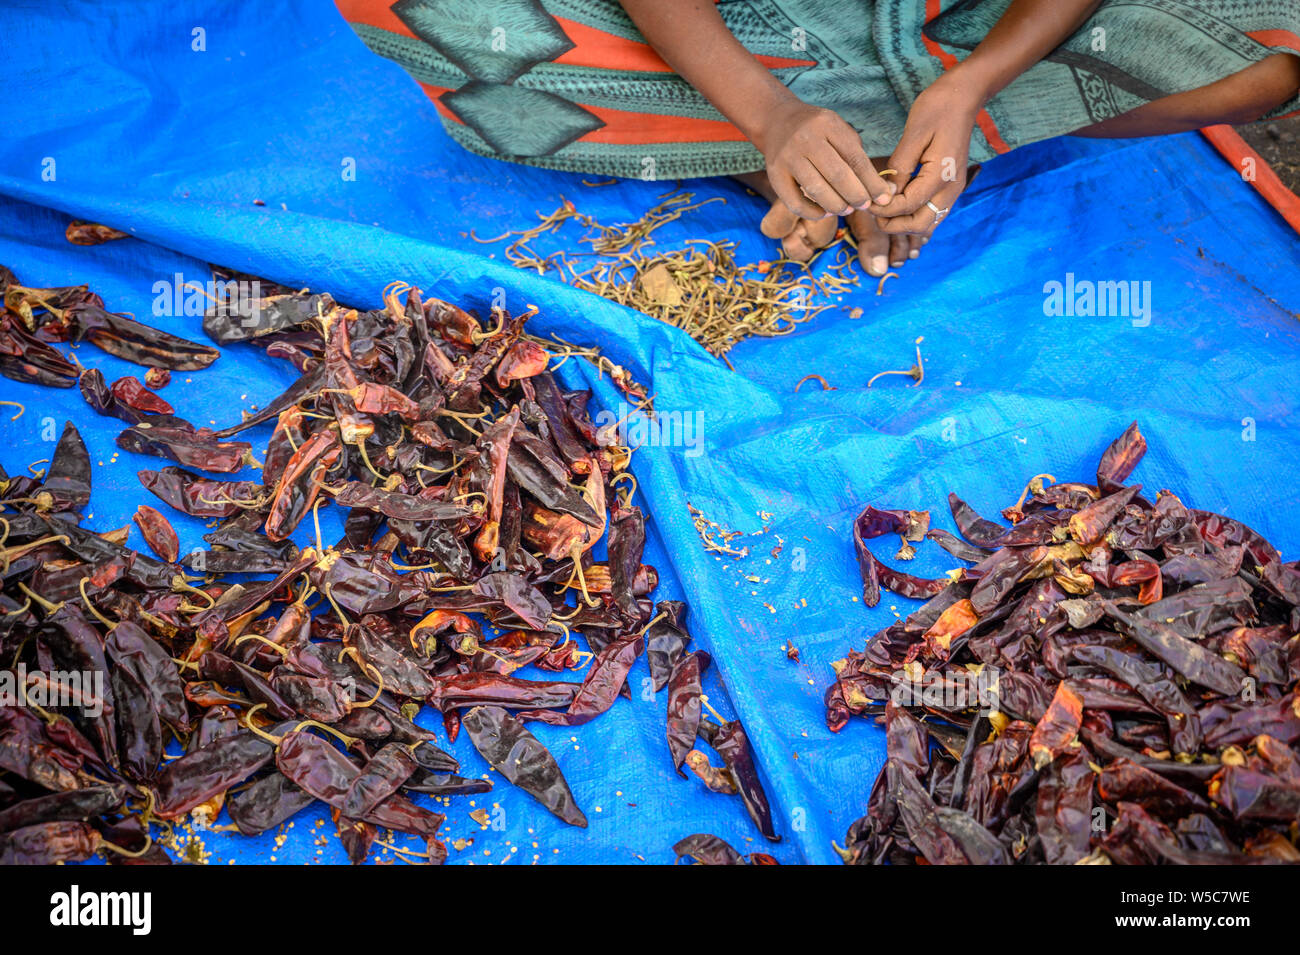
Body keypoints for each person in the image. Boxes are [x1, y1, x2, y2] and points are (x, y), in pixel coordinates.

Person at [338, 0, 1300, 276]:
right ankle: (802, 148)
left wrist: (971, 87)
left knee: (1273, 44)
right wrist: (772, 115)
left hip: (952, 24)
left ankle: (900, 145)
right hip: (736, 31)